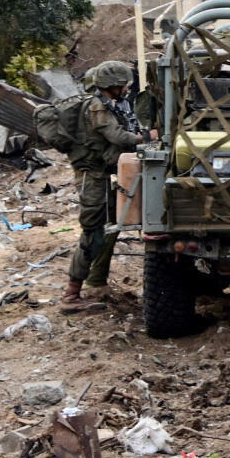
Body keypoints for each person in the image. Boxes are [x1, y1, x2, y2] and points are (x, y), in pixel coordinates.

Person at [59, 60, 146, 314]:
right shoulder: (97, 107)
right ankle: (71, 295)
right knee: (92, 231)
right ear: (112, 86)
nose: (126, 89)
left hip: (100, 175)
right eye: (123, 85)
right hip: (91, 177)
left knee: (108, 228)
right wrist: (147, 138)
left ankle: (95, 281)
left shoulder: (108, 104)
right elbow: (119, 137)